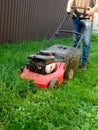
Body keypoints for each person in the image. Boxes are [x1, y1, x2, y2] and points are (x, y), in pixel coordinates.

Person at [66, 0, 96, 70]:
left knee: (86, 42)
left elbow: (96, 5)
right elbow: (71, 0)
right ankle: (76, 59)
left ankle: (84, 63)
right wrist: (68, 7)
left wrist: (93, 10)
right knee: (75, 41)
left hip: (87, 18)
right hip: (76, 18)